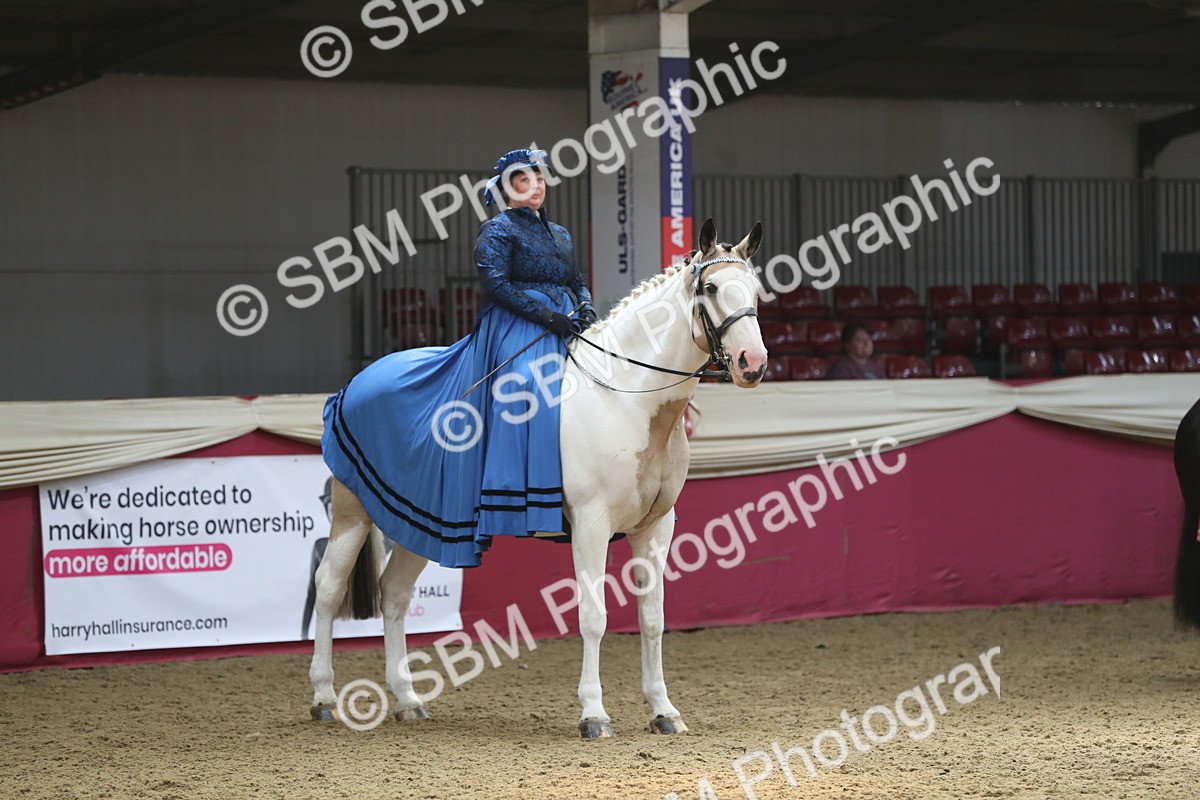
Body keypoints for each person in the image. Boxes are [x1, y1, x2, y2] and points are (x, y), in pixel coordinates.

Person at [321, 148, 596, 569]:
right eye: (526, 179)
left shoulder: (560, 233)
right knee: (524, 385)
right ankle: (526, 493)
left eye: (540, 178)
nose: (537, 185)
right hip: (516, 325)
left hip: (565, 320)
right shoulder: (497, 230)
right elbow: (497, 286)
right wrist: (545, 315)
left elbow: (576, 278)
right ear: (507, 188)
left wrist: (586, 306)